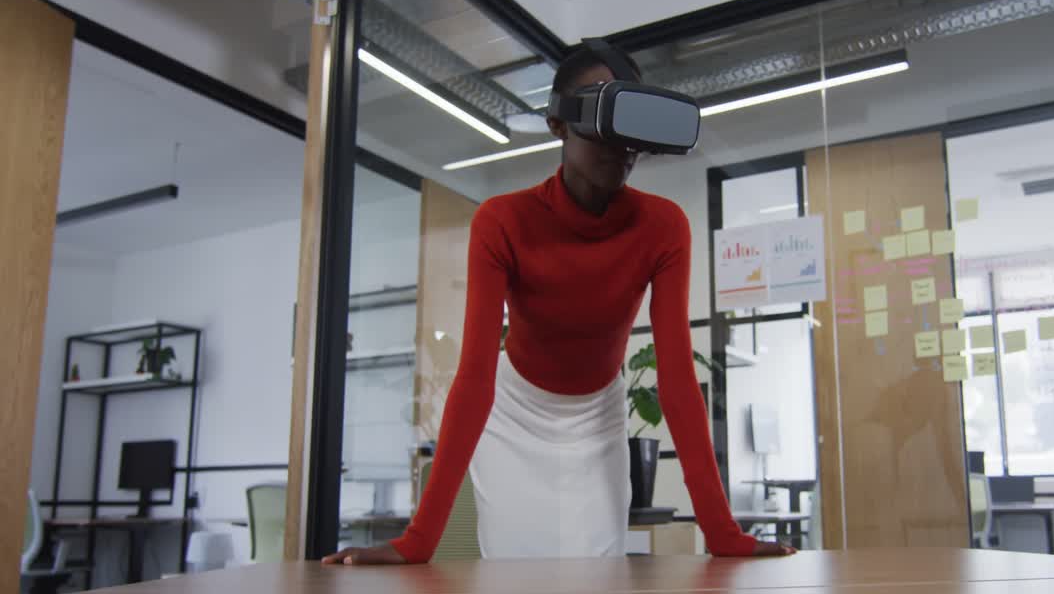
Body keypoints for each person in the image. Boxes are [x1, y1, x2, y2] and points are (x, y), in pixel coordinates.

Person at [323, 44, 794, 565]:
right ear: (557, 125)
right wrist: (417, 543)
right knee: (514, 585)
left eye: (631, 127)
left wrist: (723, 535)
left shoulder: (664, 228)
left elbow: (679, 379)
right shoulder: (502, 221)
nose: (623, 147)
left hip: (599, 414)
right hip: (515, 413)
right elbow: (475, 379)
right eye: (602, 121)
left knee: (598, 586)